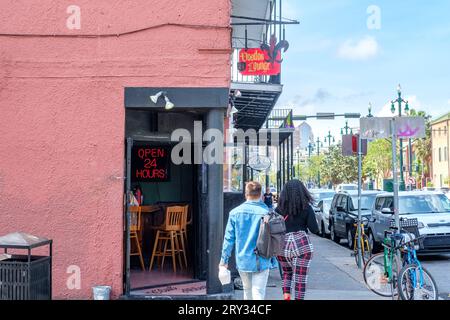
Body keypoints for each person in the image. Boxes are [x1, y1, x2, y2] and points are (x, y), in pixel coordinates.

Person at [220, 181, 277, 300]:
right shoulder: (268, 213)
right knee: (258, 293)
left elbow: (228, 239)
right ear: (261, 195)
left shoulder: (234, 213)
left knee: (247, 291)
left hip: (243, 260)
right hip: (262, 259)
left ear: (246, 194)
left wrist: (223, 260)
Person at [275, 179, 319, 300]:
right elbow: (314, 229)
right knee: (300, 279)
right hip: (302, 246)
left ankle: (286, 297)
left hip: (282, 246)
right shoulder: (306, 207)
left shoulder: (279, 209)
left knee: (286, 273)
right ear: (302, 191)